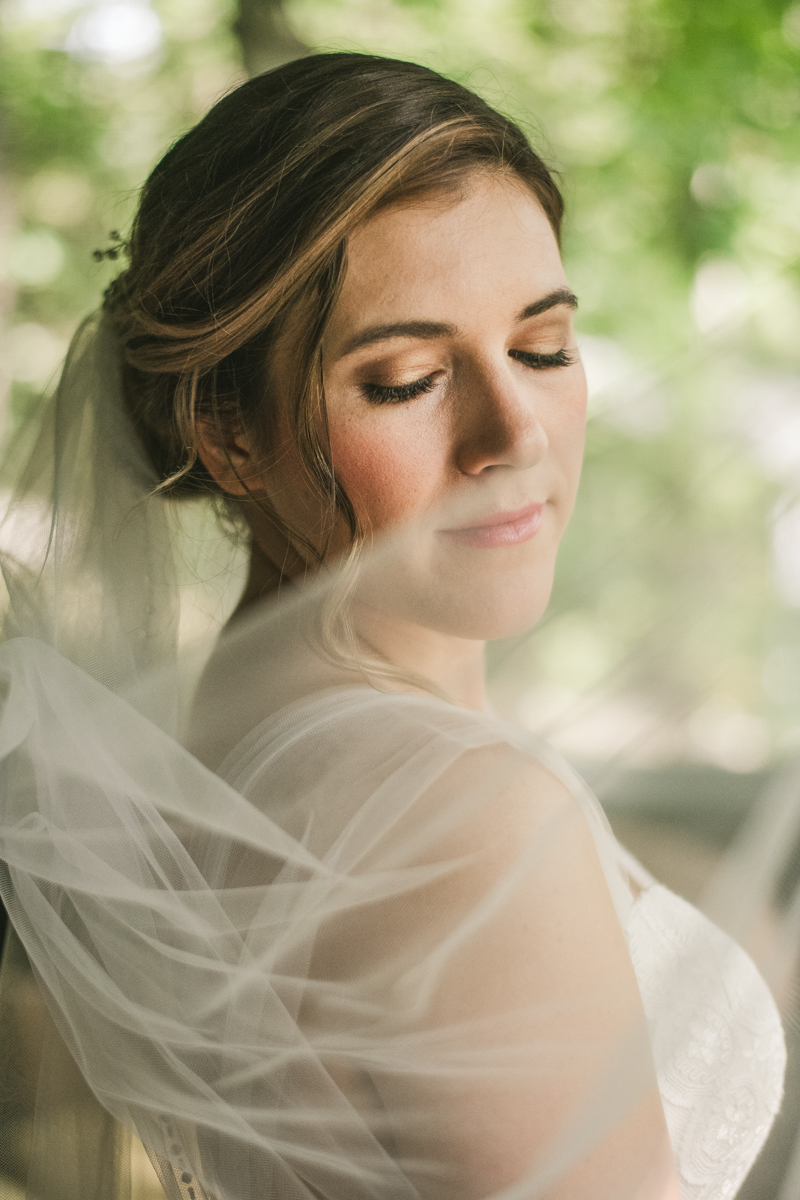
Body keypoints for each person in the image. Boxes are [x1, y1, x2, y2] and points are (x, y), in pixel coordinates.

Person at [0, 52, 786, 1200]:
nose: (511, 433)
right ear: (227, 433)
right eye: (407, 378)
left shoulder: (214, 742)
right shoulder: (465, 819)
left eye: (541, 347)